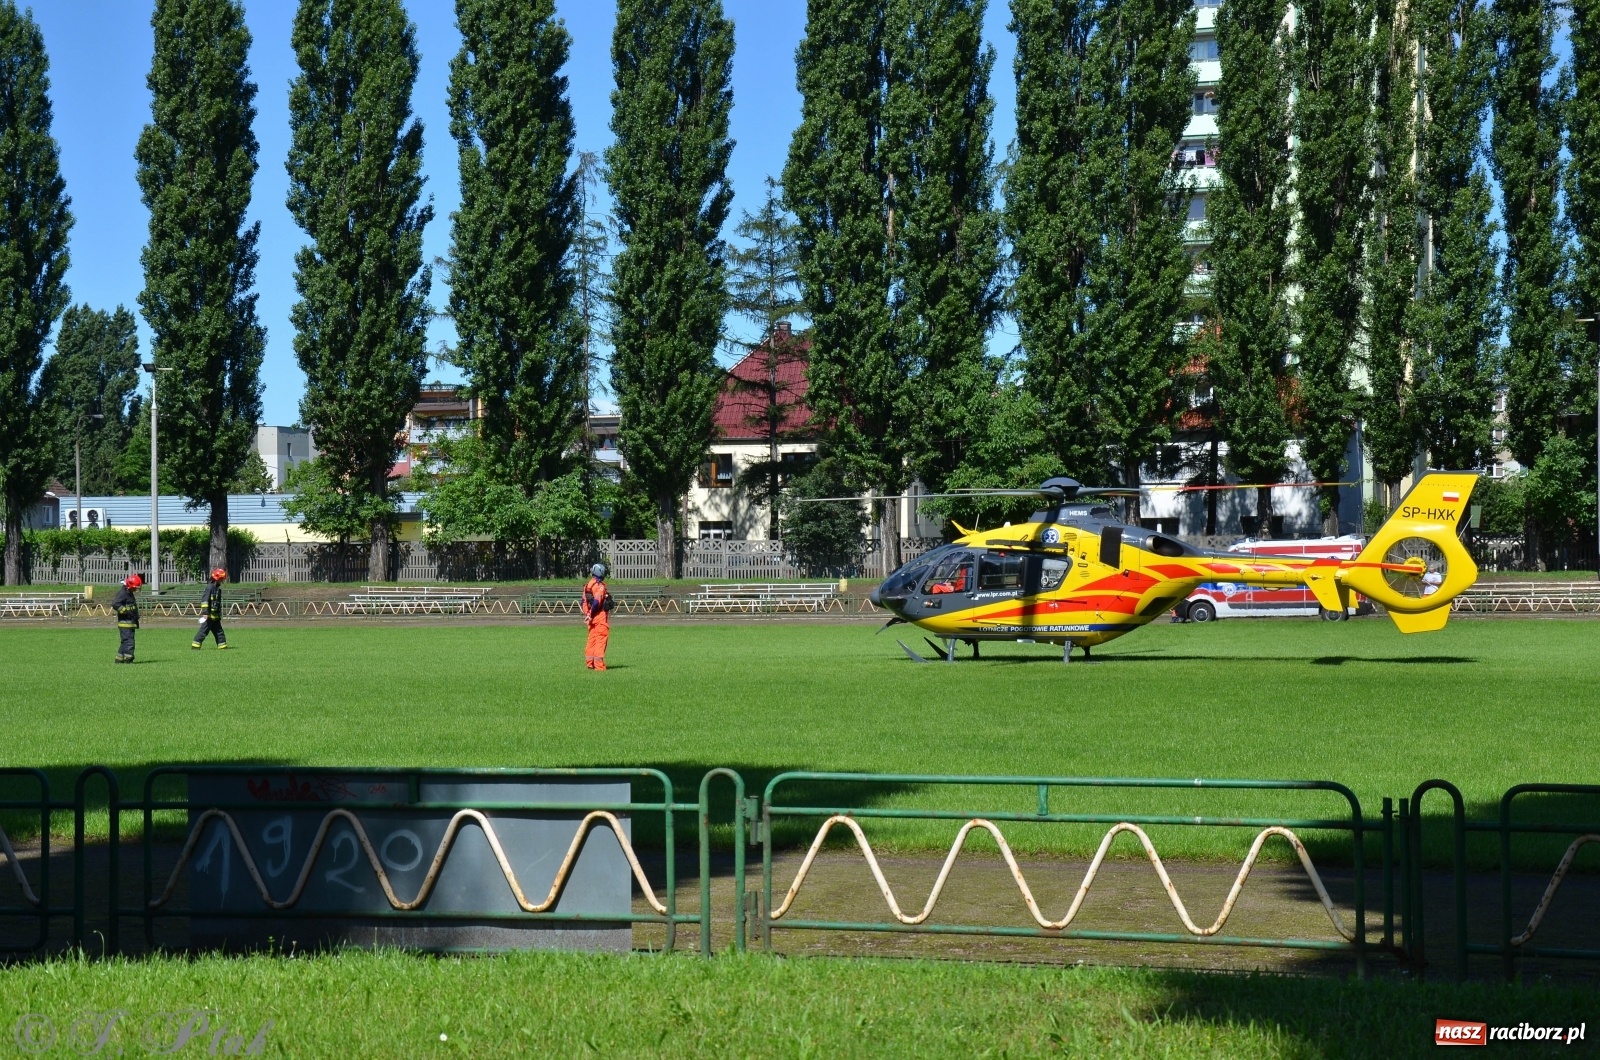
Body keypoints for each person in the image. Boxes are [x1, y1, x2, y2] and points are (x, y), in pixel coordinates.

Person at [581, 563, 614, 670]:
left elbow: (583, 602)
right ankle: (599, 666)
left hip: (591, 618)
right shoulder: (599, 586)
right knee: (600, 640)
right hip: (599, 617)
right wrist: (591, 614)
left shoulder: (587, 586)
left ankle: (590, 663)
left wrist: (587, 614)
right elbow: (596, 602)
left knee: (592, 640)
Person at [192, 567, 231, 650]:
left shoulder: (217, 589)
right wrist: (205, 613)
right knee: (204, 631)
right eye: (221, 579)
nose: (222, 581)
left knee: (219, 632)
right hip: (209, 615)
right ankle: (195, 646)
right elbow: (205, 600)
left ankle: (222, 646)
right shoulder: (209, 588)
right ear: (217, 578)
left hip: (215, 616)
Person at [112, 574, 142, 664]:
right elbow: (115, 604)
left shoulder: (128, 592)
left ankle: (119, 659)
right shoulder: (123, 593)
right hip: (126, 623)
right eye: (134, 588)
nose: (135, 589)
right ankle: (129, 660)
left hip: (130, 622)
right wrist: (125, 611)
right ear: (129, 586)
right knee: (129, 642)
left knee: (125, 642)